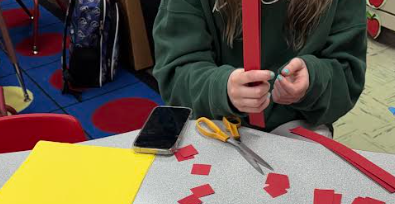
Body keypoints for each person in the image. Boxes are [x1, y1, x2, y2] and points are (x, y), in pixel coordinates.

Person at [152, 0, 367, 139]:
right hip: (214, 122)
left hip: (299, 124)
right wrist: (221, 89)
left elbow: (348, 76)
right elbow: (175, 73)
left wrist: (314, 80)